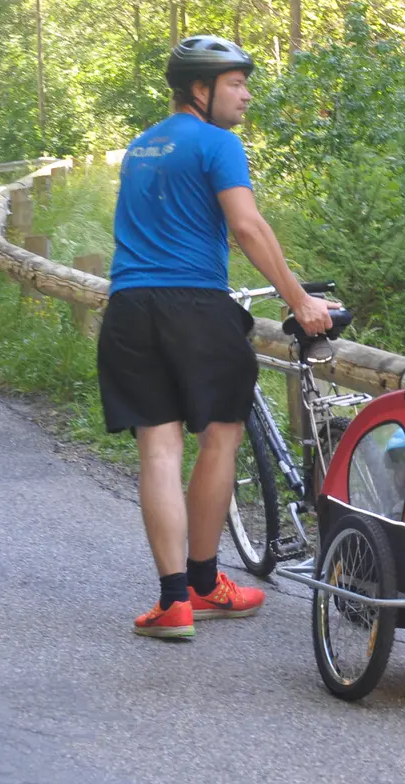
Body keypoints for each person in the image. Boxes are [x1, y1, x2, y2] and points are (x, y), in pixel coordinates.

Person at [99, 35, 332, 639]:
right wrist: (299, 298)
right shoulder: (218, 144)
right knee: (221, 439)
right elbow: (247, 225)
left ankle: (174, 601)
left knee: (159, 447)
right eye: (236, 83)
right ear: (200, 90)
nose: (246, 95)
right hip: (195, 307)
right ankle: (206, 584)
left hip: (129, 307)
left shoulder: (141, 146)